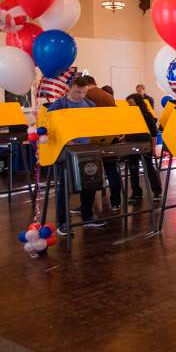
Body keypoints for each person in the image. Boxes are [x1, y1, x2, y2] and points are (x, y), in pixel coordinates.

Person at [48, 77, 108, 235]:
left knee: (90, 184)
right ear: (70, 88)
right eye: (77, 92)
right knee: (63, 188)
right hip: (65, 151)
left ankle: (88, 216)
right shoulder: (59, 105)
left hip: (87, 150)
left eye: (84, 92)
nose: (81, 95)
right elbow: (49, 127)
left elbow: (94, 125)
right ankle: (62, 222)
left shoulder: (90, 104)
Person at [75, 75, 123, 210]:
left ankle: (87, 207)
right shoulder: (108, 96)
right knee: (112, 171)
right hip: (110, 138)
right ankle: (116, 202)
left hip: (91, 139)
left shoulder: (85, 96)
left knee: (89, 173)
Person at [125, 93, 162, 200]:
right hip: (131, 144)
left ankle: (157, 192)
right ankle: (136, 193)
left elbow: (154, 133)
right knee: (133, 168)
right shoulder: (130, 115)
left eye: (131, 103)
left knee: (149, 167)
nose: (130, 106)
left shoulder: (147, 115)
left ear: (138, 102)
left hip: (145, 144)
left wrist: (153, 148)